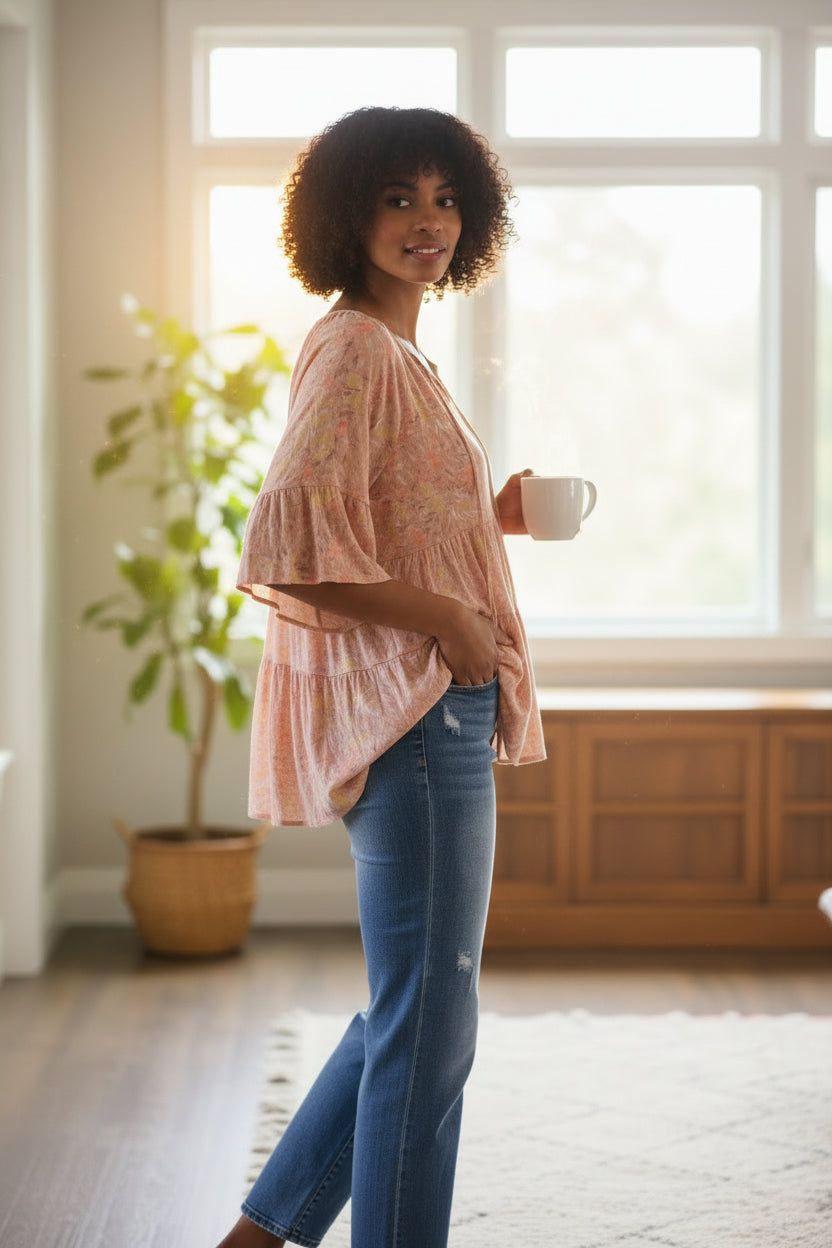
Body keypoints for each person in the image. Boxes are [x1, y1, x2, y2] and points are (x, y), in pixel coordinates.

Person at [218, 105, 545, 1248]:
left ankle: (263, 1237)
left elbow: (373, 522)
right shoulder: (357, 345)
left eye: (445, 198)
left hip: (422, 715)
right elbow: (286, 552)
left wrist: (479, 522)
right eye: (398, 198)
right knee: (430, 1027)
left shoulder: (392, 347)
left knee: (405, 1010)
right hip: (415, 720)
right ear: (344, 215)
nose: (427, 222)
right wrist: (442, 614)